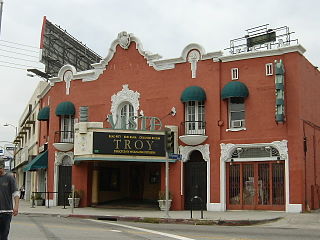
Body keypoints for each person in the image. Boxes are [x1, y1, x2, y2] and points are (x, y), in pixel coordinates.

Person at [0, 159, 19, 240]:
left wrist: (16, 207)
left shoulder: (9, 177)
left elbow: (16, 193)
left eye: (0, 168)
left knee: (4, 235)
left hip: (6, 211)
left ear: (3, 168)